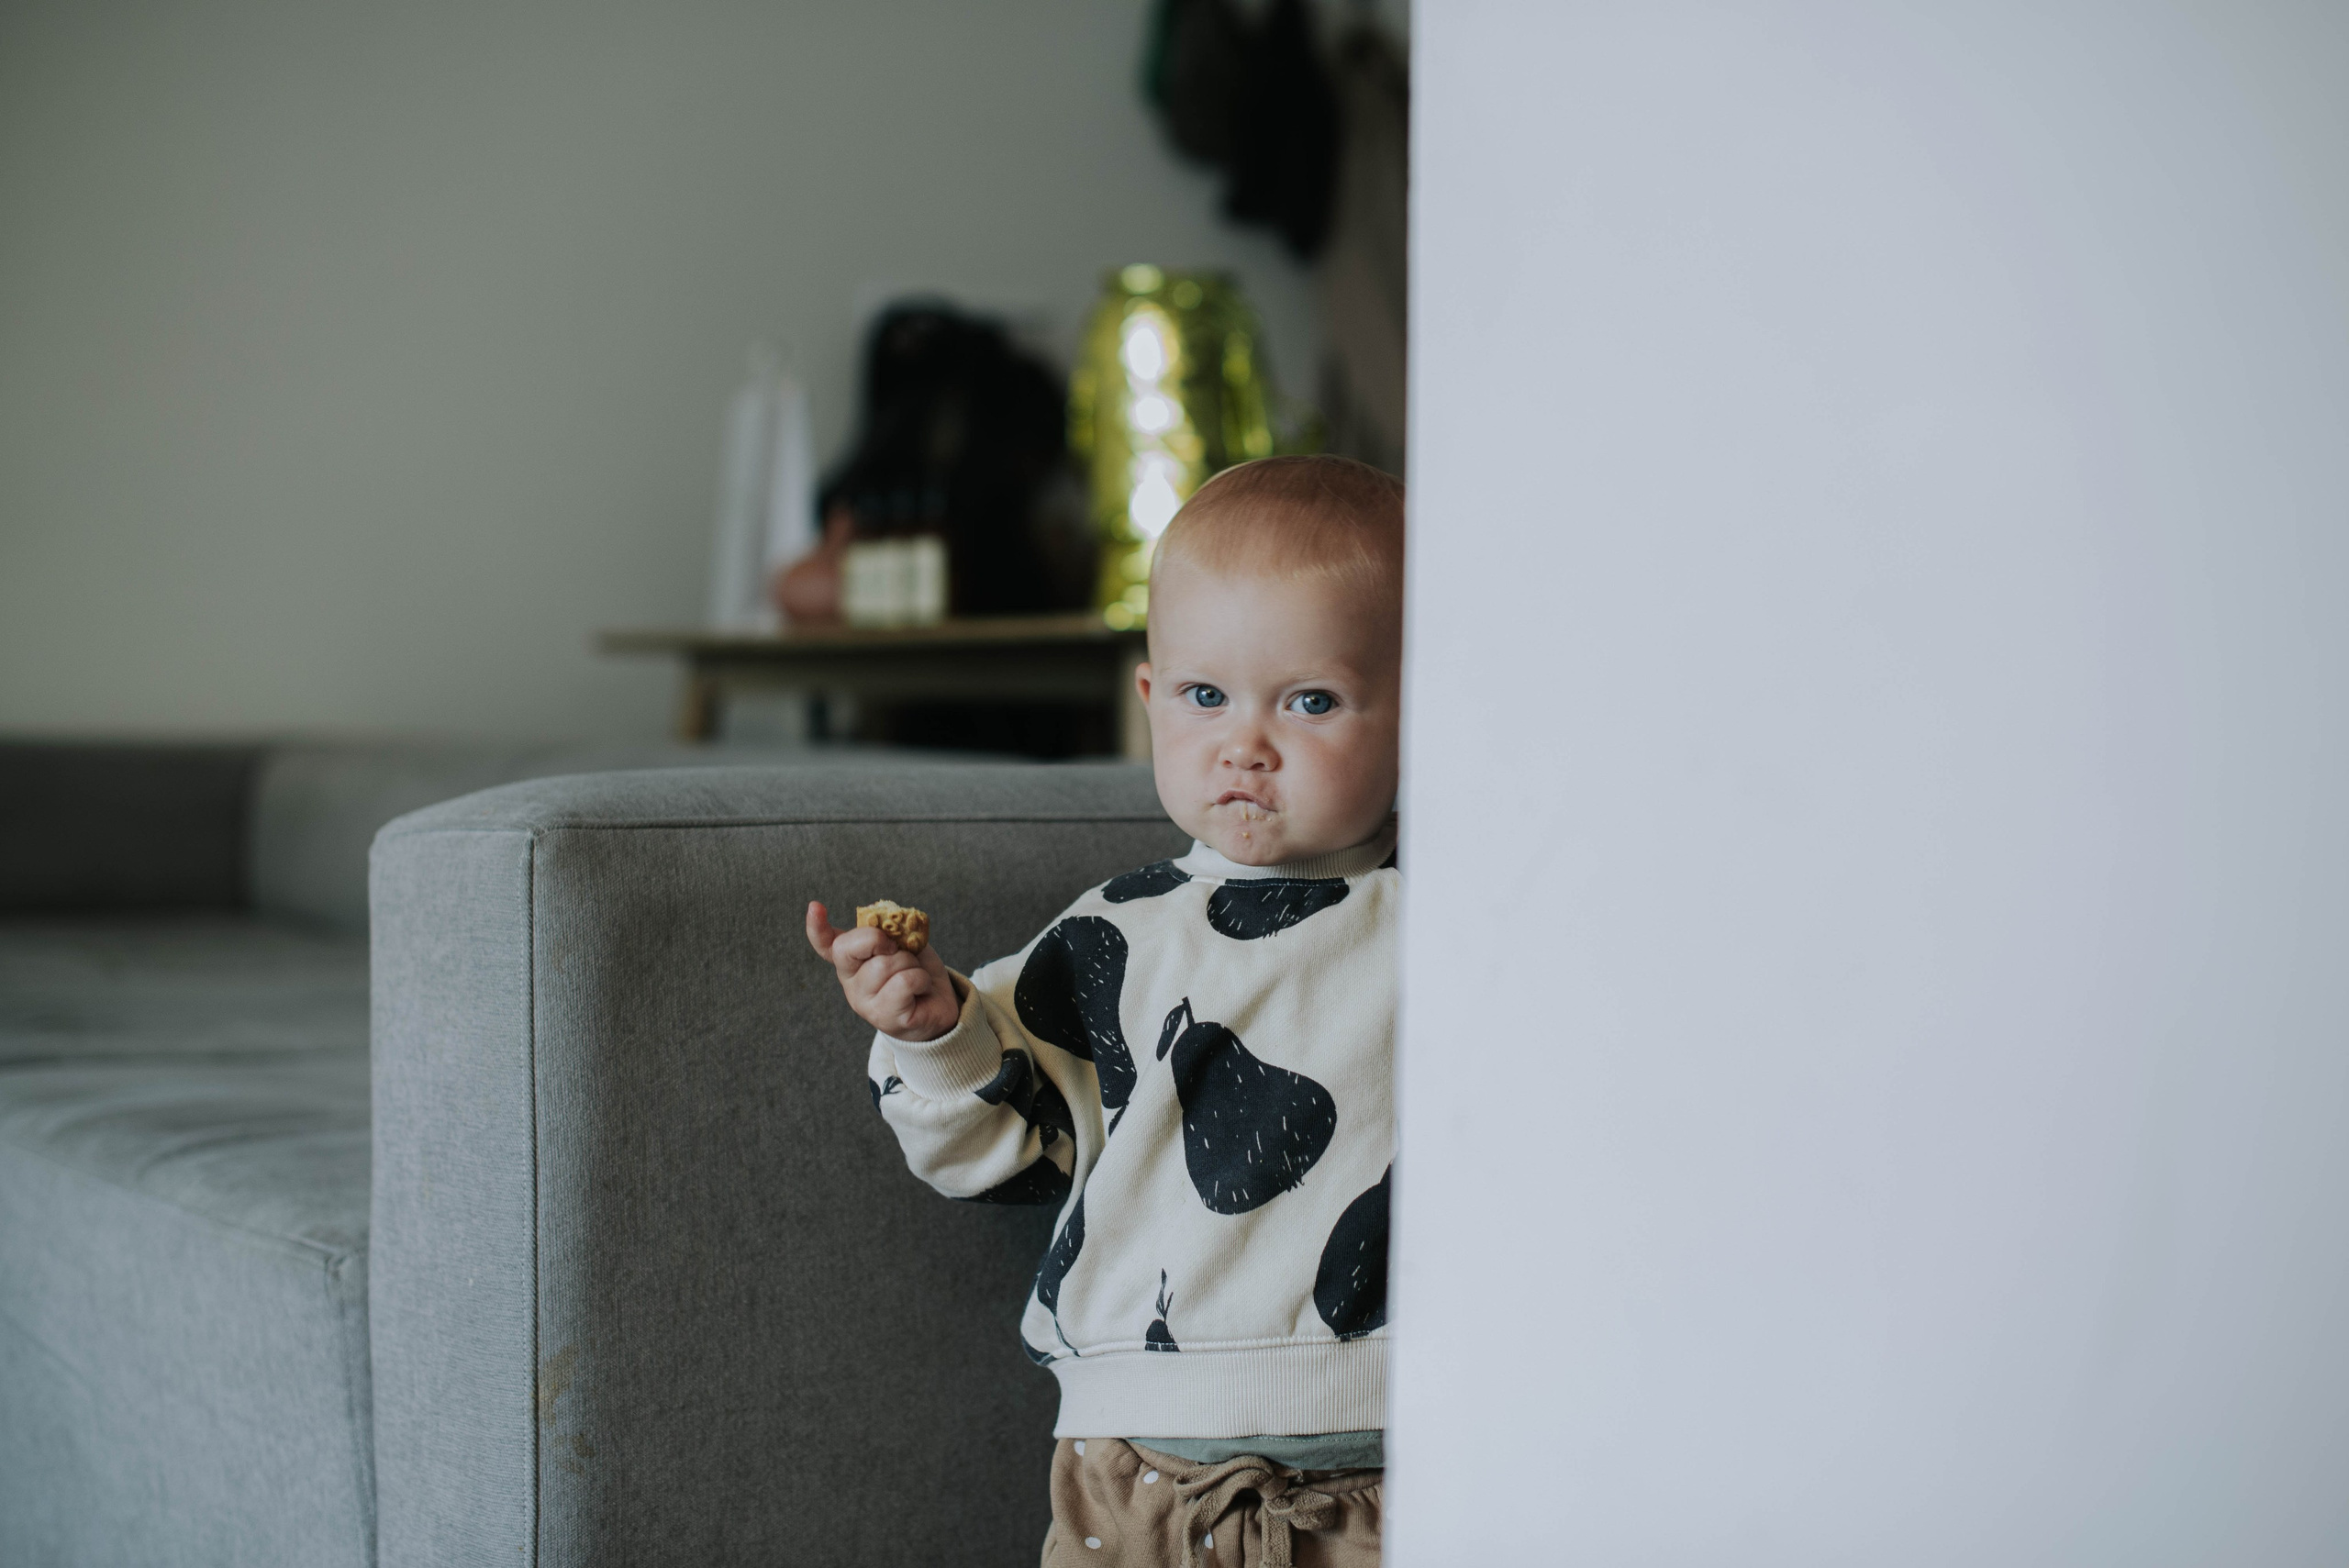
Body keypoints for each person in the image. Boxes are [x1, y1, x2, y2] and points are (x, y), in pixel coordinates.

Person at [807, 454, 1402, 1566]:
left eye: (1310, 700)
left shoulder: (1453, 929)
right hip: (1134, 1460)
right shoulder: (1111, 935)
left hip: (1405, 1444)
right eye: (1204, 696)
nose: (1246, 743)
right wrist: (930, 1026)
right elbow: (991, 1143)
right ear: (1149, 701)